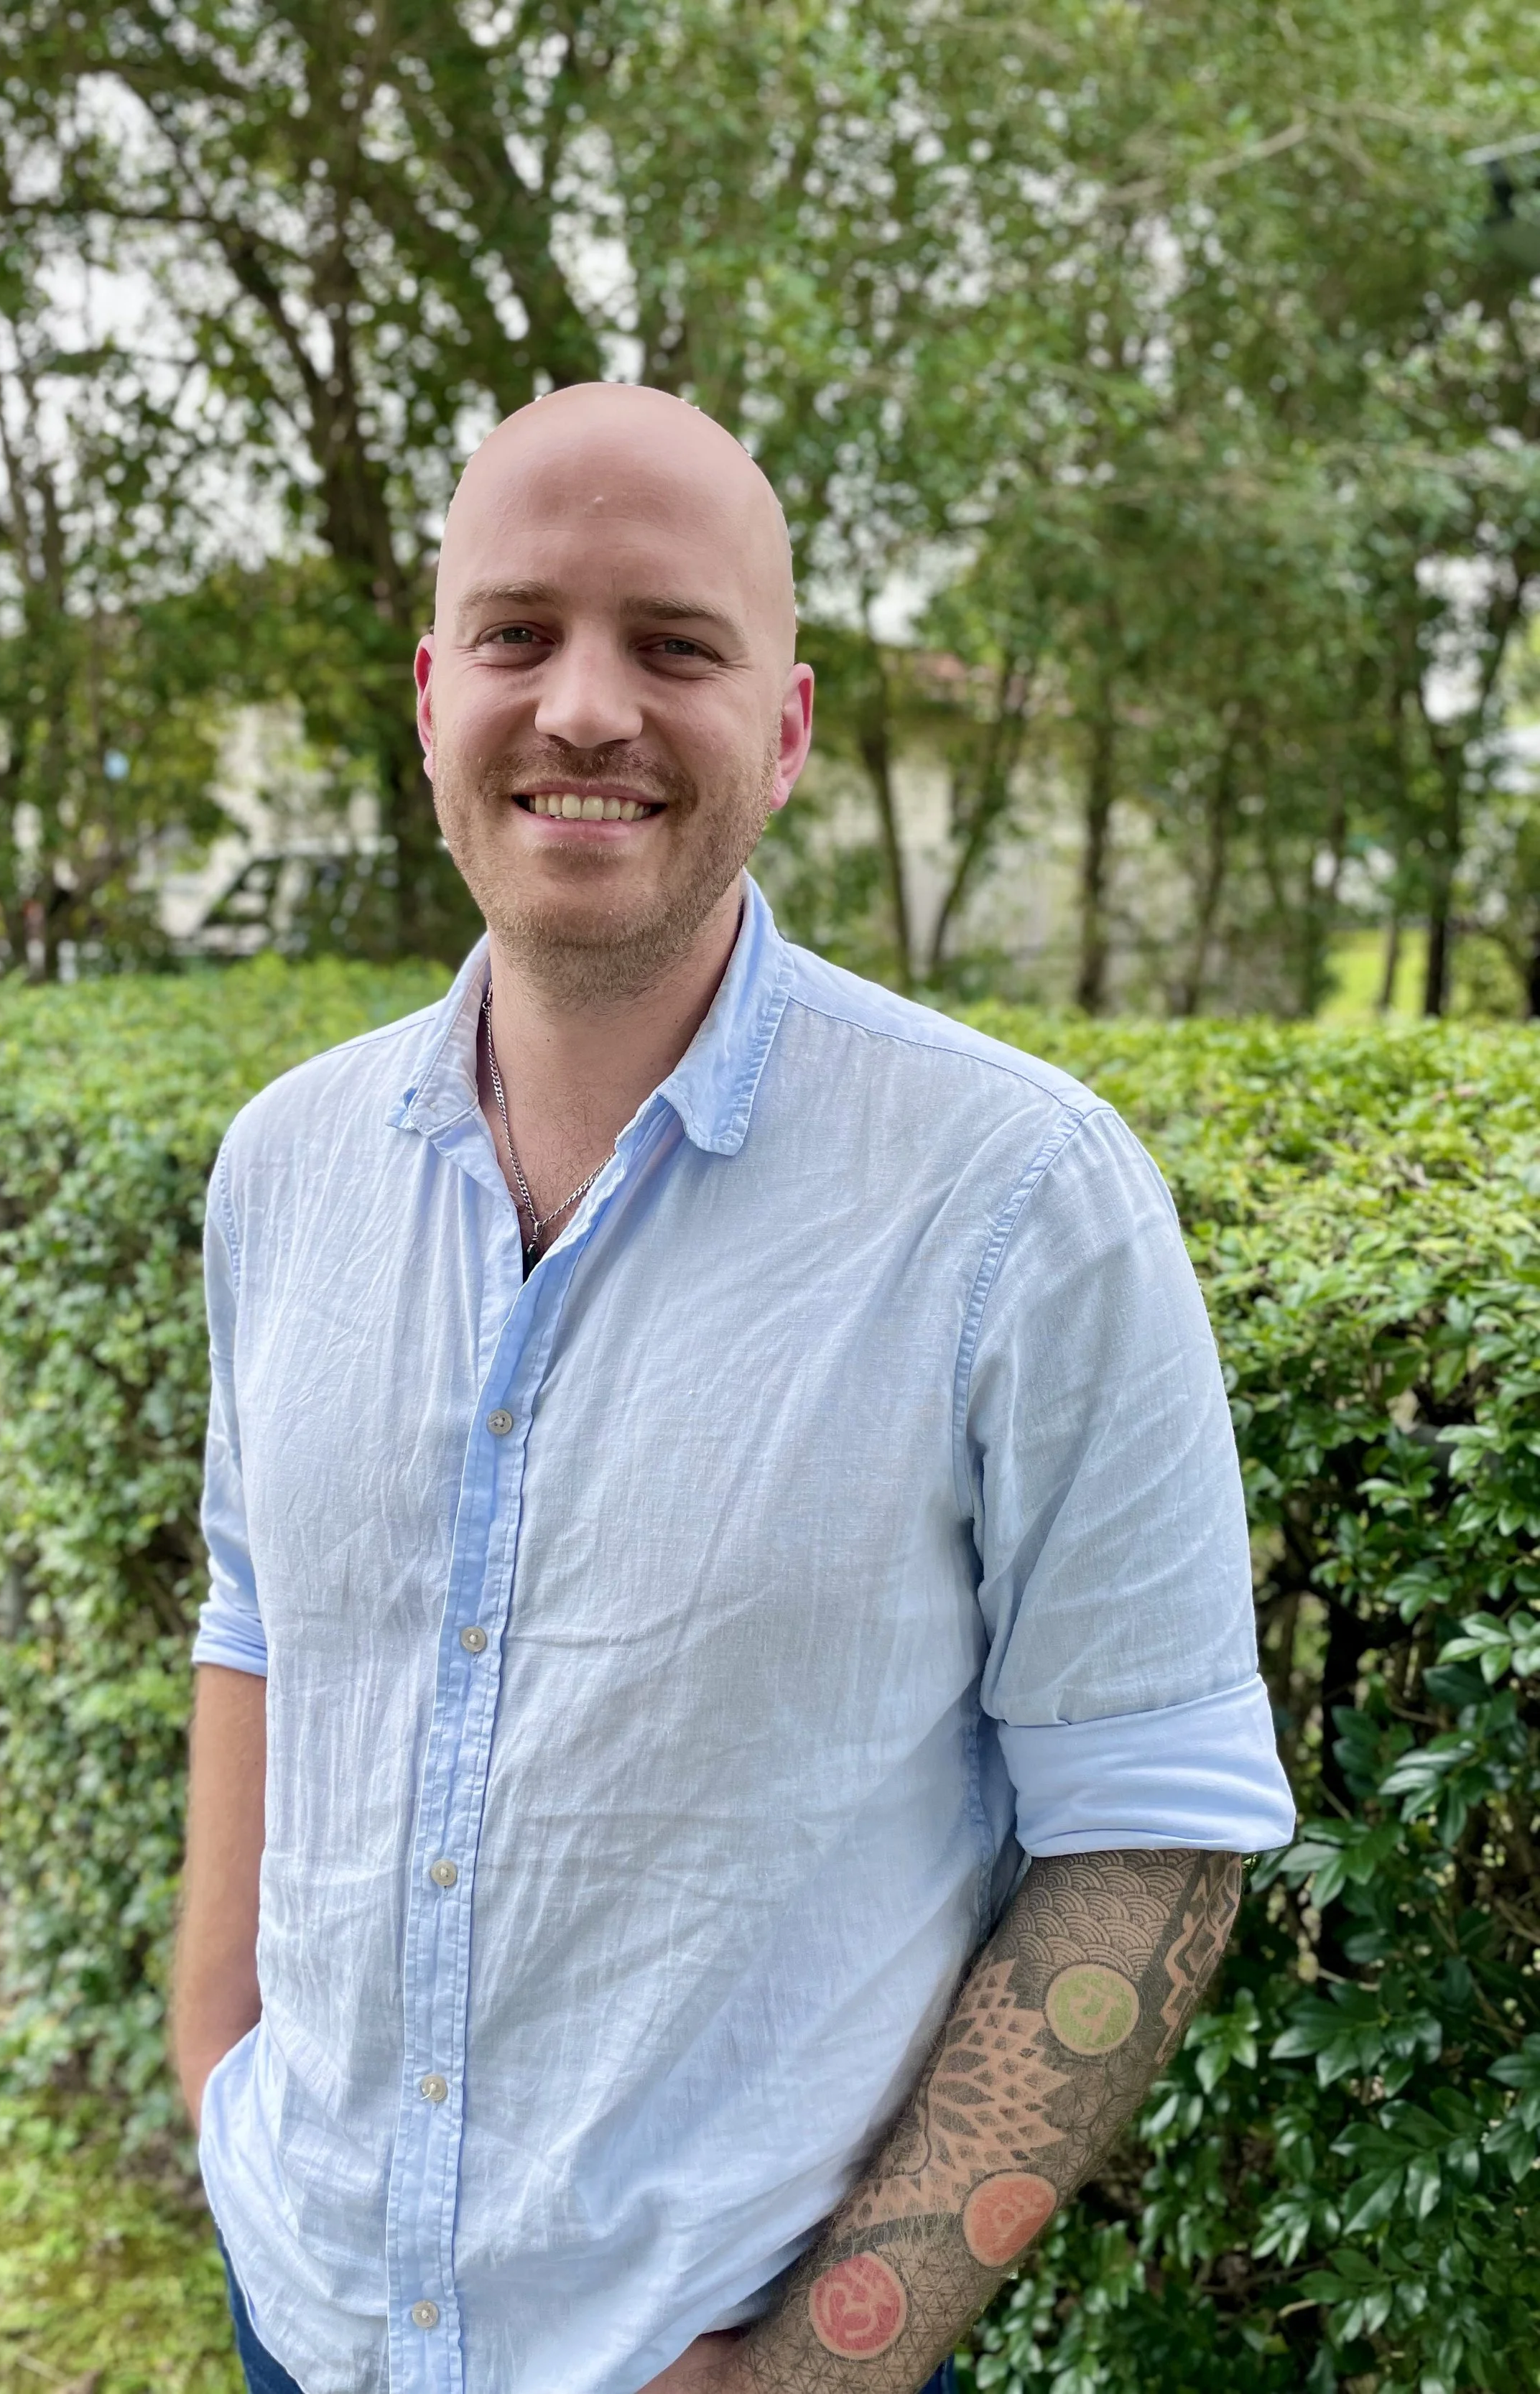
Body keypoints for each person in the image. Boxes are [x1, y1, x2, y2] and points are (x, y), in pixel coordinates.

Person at [175, 382, 1295, 2394]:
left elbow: (1148, 1833)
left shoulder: (1018, 1204)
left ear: (780, 730)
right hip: (306, 2316)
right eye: (518, 634)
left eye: (673, 644)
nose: (584, 707)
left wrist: (813, 2371)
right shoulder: (282, 1165)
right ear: (433, 695)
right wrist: (217, 2083)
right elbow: (259, 1624)